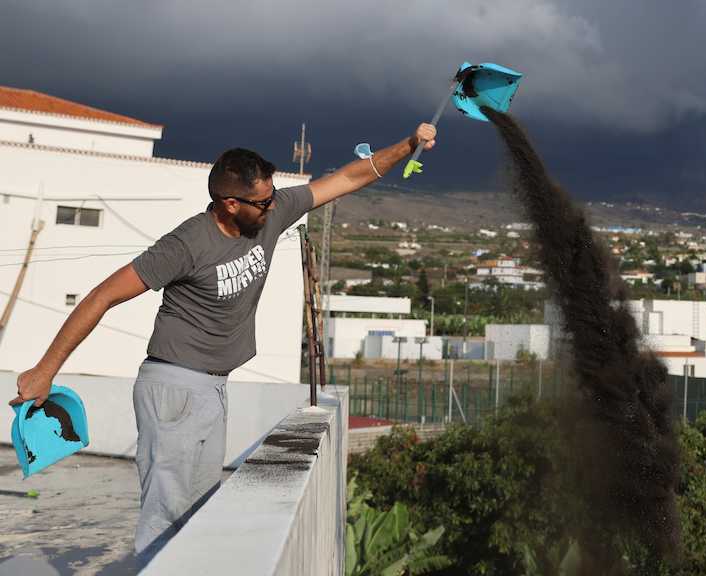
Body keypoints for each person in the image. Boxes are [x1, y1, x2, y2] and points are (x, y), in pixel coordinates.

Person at [8, 122, 437, 562]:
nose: (273, 205)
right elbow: (102, 296)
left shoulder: (271, 212)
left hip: (213, 387)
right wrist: (46, 370)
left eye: (272, 196)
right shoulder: (186, 243)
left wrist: (408, 145)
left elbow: (347, 178)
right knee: (163, 524)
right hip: (173, 388)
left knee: (197, 519)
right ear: (230, 204)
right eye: (262, 201)